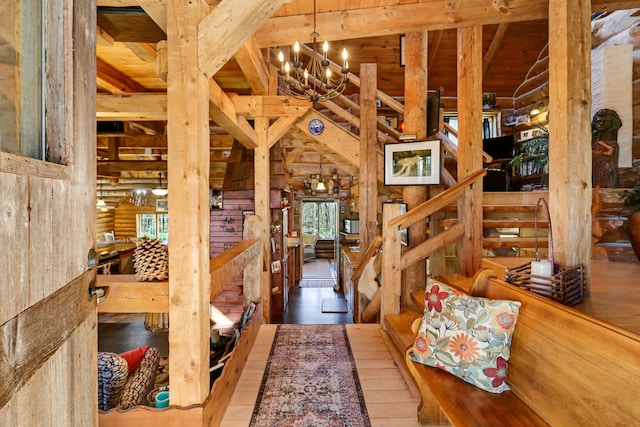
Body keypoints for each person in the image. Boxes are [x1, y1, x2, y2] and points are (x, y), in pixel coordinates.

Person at [591, 108, 622, 188]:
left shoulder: (611, 143)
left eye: (604, 122)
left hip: (607, 173)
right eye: (598, 121)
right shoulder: (594, 138)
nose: (600, 124)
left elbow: (608, 154)